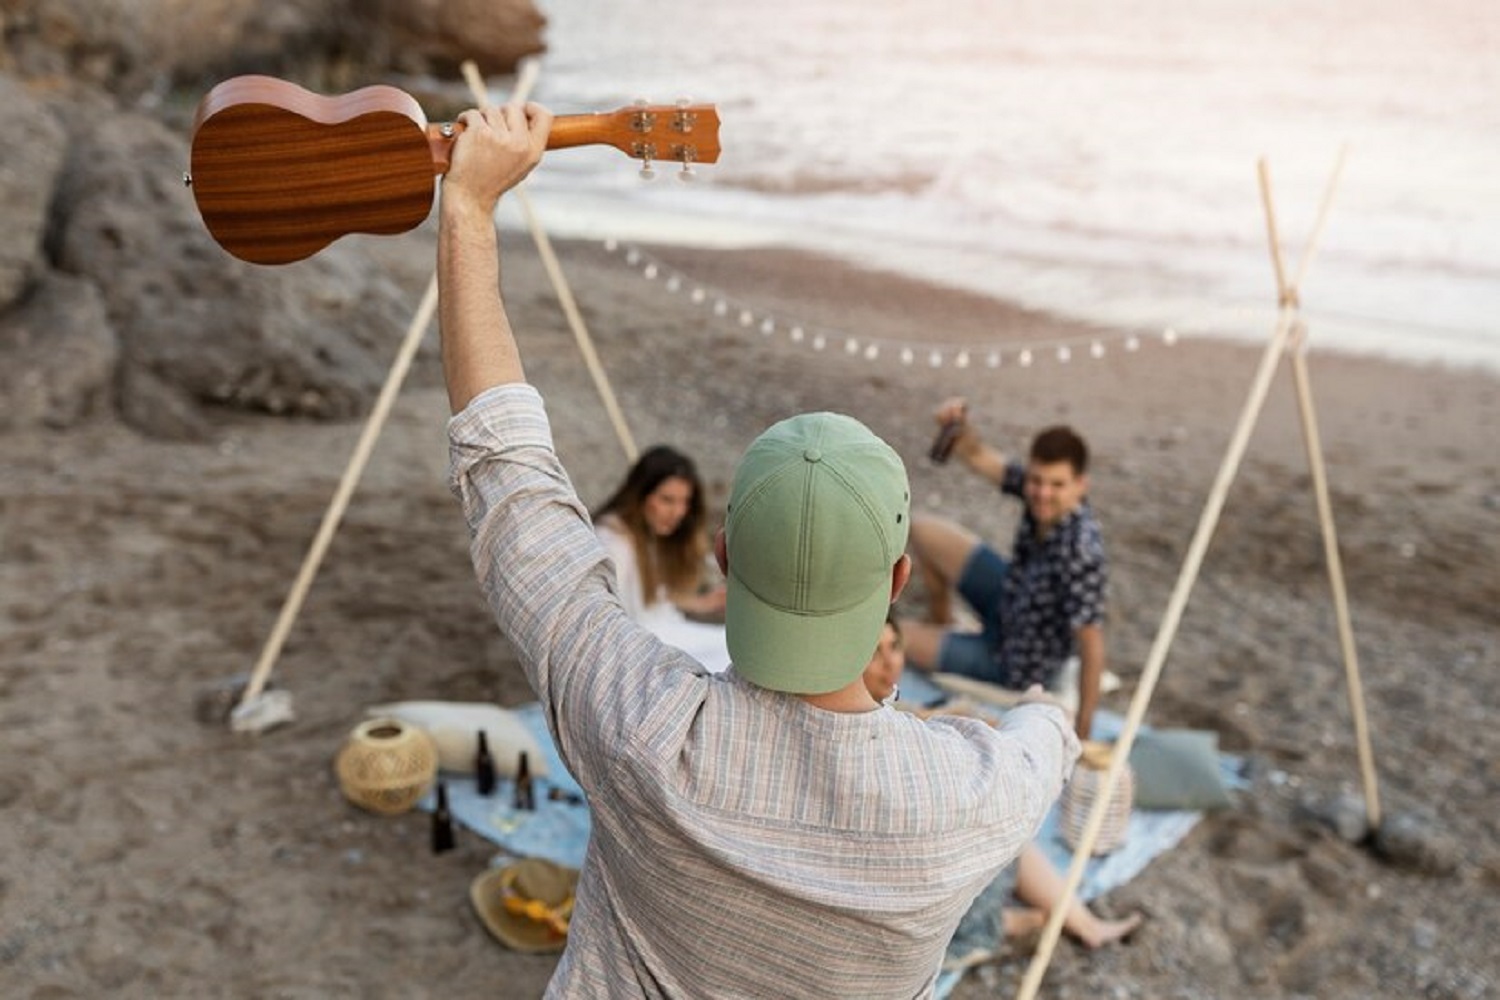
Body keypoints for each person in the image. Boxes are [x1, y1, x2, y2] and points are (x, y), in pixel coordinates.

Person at [438, 100, 1078, 998]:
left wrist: (467, 211)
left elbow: (511, 483)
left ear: (728, 558)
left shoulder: (638, 727)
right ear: (898, 581)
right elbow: (1042, 741)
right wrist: (1041, 716)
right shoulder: (966, 797)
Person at [862, 618, 1143, 951]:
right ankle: (1014, 922)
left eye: (895, 647)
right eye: (875, 653)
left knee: (999, 809)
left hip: (911, 866)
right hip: (908, 879)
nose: (891, 662)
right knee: (1001, 815)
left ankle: (1071, 920)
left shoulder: (878, 711)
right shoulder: (869, 730)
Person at [899, 398, 1108, 740]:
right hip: (1009, 596)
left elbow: (1092, 644)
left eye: (1056, 485)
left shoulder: (1081, 552)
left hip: (1013, 659)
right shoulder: (1038, 492)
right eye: (1037, 480)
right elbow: (978, 455)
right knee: (922, 529)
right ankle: (941, 622)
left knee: (890, 638)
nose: (1042, 493)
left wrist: (1082, 734)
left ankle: (941, 642)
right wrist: (958, 429)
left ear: (1080, 485)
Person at [593, 445, 730, 672]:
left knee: (734, 647)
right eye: (667, 500)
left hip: (664, 632)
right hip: (641, 647)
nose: (678, 512)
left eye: (684, 502)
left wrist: (702, 604)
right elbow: (619, 617)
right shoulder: (612, 543)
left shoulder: (645, 533)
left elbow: (652, 598)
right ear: (641, 496)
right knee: (729, 658)